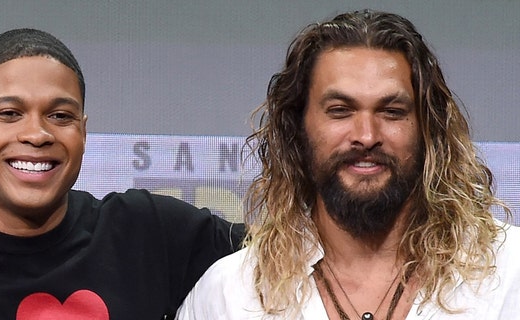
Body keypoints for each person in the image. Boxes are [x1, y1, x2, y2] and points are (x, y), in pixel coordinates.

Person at [177, 9, 520, 319]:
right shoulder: (232, 295)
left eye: (392, 112)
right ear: (298, 127)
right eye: (340, 110)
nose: (367, 135)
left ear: (428, 128)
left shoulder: (510, 274)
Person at [0, 28, 244, 319]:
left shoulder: (149, 234)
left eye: (60, 116)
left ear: (83, 132)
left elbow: (291, 252)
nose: (37, 135)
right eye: (9, 113)